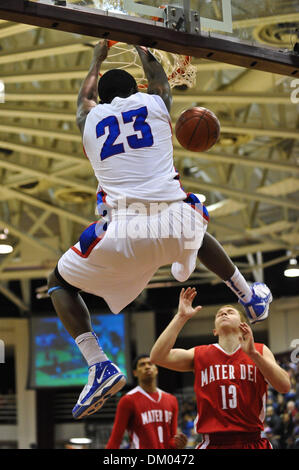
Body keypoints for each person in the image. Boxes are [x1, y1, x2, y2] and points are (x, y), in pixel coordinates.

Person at [47, 39, 273, 420]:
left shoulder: (87, 120)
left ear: (100, 99)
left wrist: (93, 58)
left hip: (121, 234)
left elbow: (83, 98)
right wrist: (139, 42)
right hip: (173, 221)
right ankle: (248, 296)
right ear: (138, 90)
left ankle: (98, 363)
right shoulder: (155, 103)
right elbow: (159, 80)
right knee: (193, 226)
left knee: (58, 280)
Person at [150, 287, 291, 449]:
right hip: (213, 443)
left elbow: (285, 386)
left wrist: (253, 355)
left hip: (252, 440)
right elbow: (157, 356)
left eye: (230, 312)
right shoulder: (200, 354)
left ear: (243, 324)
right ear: (215, 331)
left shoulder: (259, 350)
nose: (224, 313)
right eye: (219, 314)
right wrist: (181, 317)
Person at [106, 354, 187, 449]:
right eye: (142, 364)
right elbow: (115, 440)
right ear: (135, 373)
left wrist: (178, 444)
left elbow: (172, 440)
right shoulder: (128, 400)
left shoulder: (171, 400)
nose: (147, 367)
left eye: (150, 364)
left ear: (156, 370)